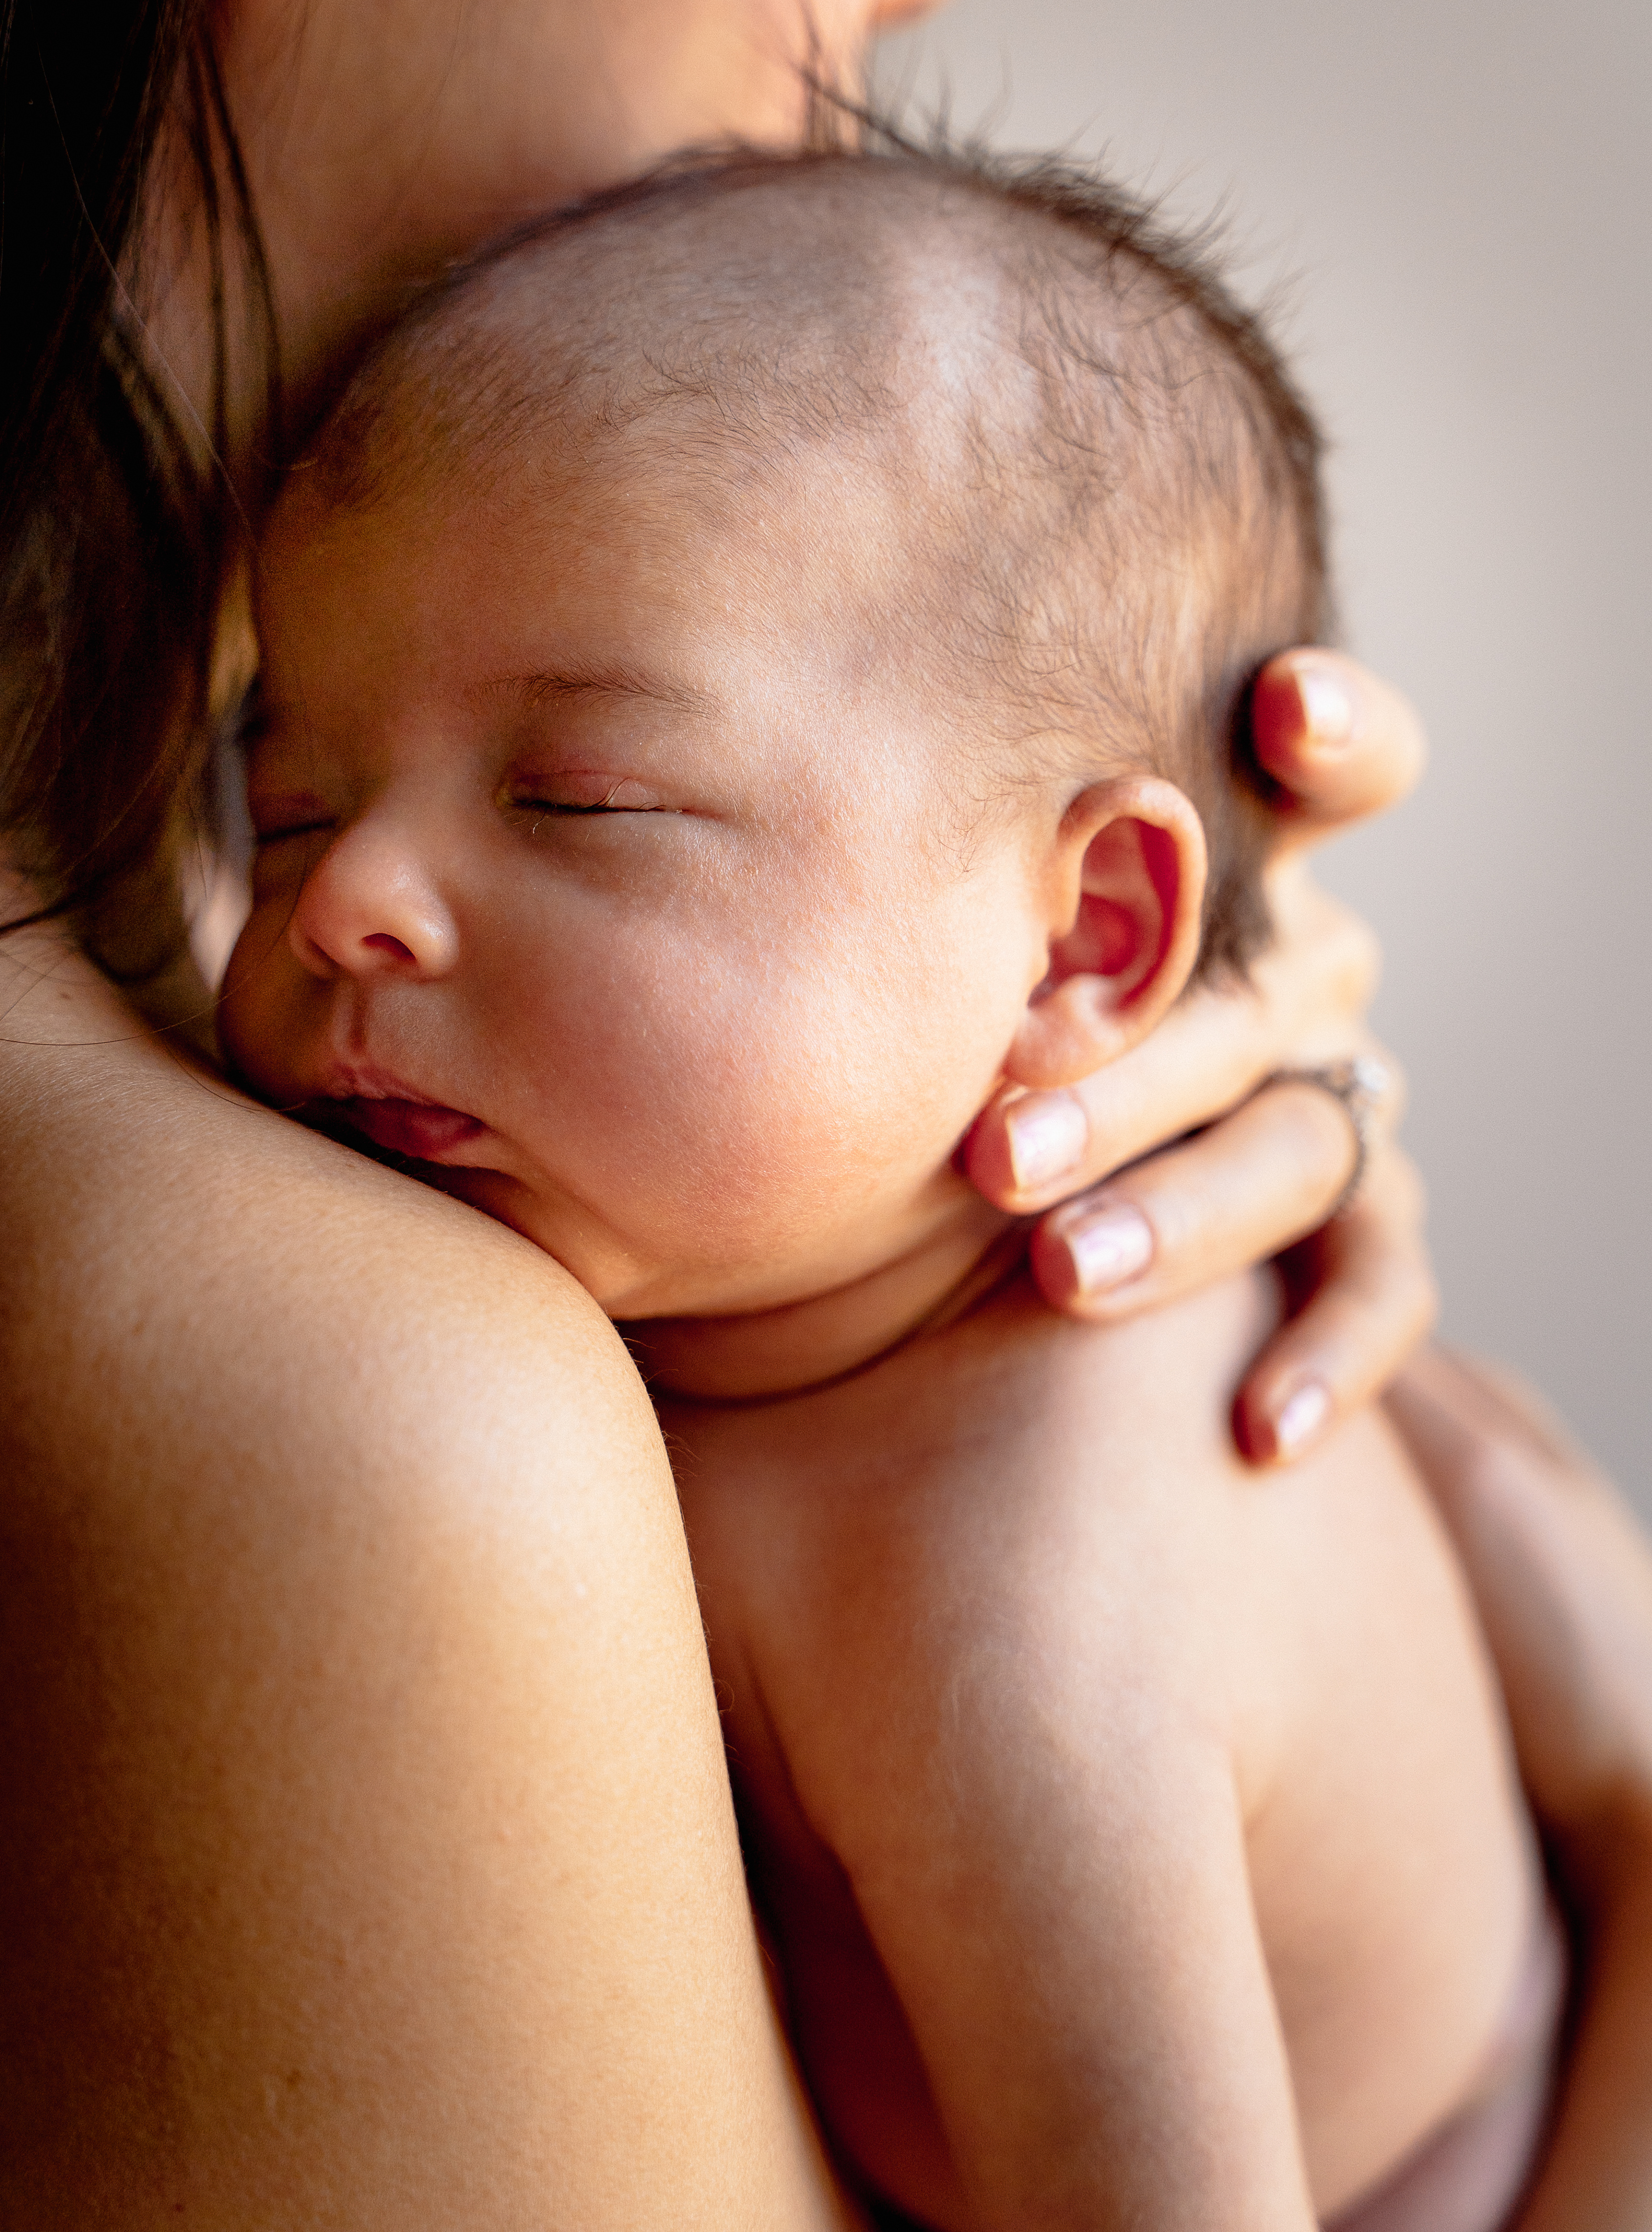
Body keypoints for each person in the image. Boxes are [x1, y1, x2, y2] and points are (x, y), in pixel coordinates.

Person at [0, 0, 1647, 2221]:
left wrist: (897, 1110)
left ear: (1087, 947)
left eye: (578, 796)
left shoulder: (190, 1073)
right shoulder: (314, 1432)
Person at [219, 141, 1559, 2232]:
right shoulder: (681, 1278)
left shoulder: (1025, 1610)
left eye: (583, 797)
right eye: (285, 800)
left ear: (1086, 944)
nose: (351, 902)